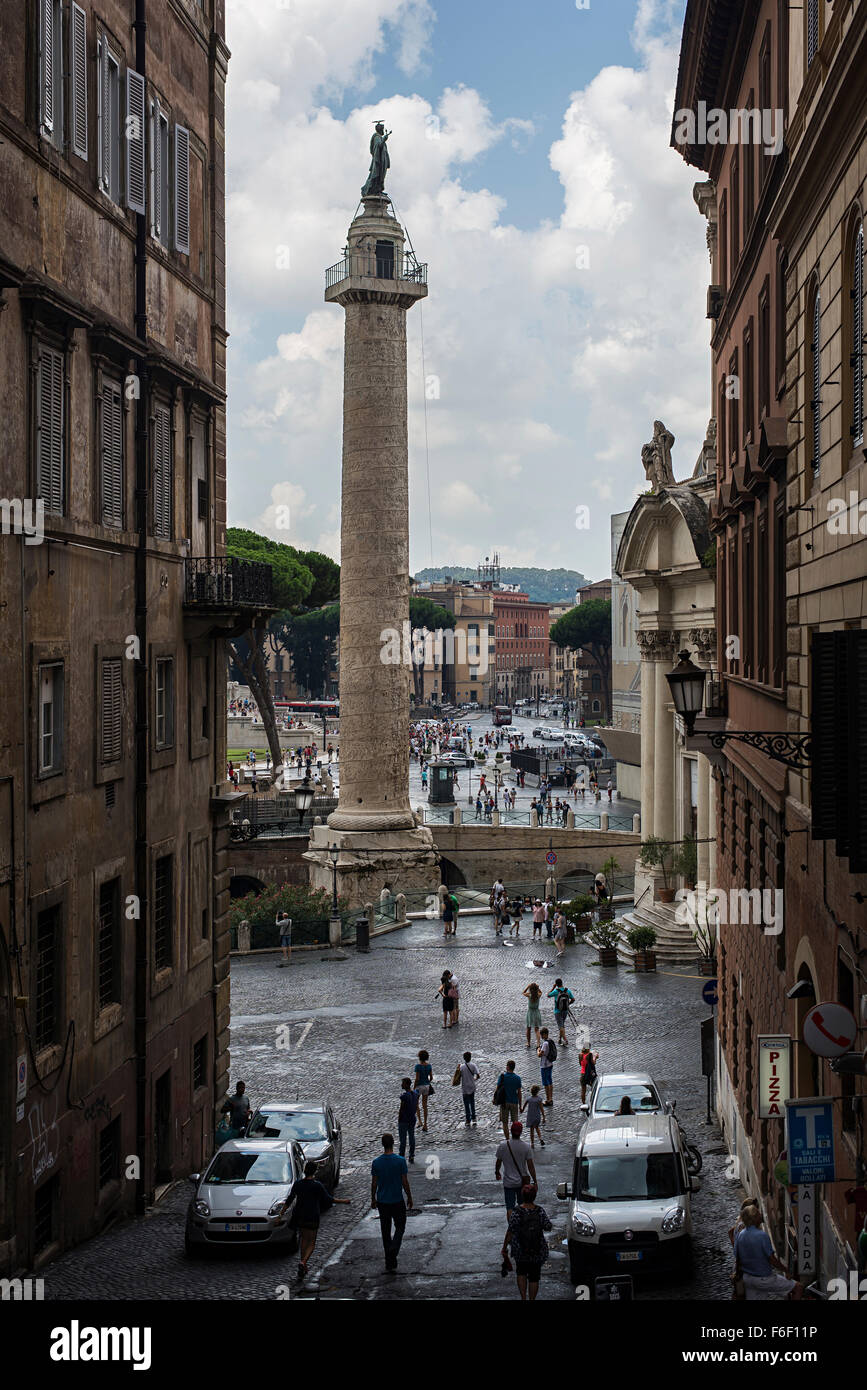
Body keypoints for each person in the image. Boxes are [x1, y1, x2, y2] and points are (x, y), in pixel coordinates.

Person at [284, 1159, 350, 1281]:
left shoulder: (298, 1184)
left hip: (301, 1216)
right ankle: (303, 1262)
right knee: (312, 1243)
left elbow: (289, 1200)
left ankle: (302, 1266)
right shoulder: (317, 1185)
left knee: (303, 1240)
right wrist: (343, 1201)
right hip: (312, 1216)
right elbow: (328, 1199)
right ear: (314, 1172)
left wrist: (281, 1214)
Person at [734, 1205, 803, 1300]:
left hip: (748, 1279)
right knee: (797, 1287)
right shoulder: (762, 1235)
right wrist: (786, 1270)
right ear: (754, 1218)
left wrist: (737, 1274)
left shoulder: (740, 1235)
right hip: (763, 1279)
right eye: (758, 1214)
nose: (761, 1215)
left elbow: (738, 1258)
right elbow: (772, 1260)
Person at [501, 1184, 553, 1301]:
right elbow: (548, 1226)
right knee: (534, 1277)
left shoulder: (517, 1212)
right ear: (534, 1196)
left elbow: (510, 1231)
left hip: (520, 1250)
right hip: (537, 1249)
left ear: (522, 1196)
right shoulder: (539, 1211)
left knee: (521, 1272)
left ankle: (523, 1297)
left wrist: (504, 1248)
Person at [371, 1133, 413, 1274]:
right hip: (397, 1200)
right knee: (400, 1227)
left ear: (383, 1145)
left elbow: (374, 1183)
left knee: (385, 1230)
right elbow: (404, 1181)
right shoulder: (400, 1161)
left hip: (383, 1201)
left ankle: (389, 1259)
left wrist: (373, 1198)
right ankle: (394, 1249)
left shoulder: (376, 1163)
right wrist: (409, 1196)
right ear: (393, 1143)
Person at [495, 1121, 537, 1211]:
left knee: (510, 1208)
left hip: (508, 1182)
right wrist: (535, 1181)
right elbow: (530, 1166)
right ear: (521, 1132)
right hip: (522, 1182)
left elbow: (498, 1162)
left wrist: (497, 1172)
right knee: (523, 1206)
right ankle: (521, 1224)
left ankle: (511, 1224)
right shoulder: (526, 1147)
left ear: (511, 1131)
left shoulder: (503, 1146)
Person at [496, 1060, 523, 1138]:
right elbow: (519, 1093)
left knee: (505, 1123)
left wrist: (495, 1099)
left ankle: (507, 1139)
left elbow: (497, 1089)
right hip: (514, 1102)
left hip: (504, 1102)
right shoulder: (517, 1078)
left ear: (507, 1067)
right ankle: (515, 1137)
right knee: (515, 1122)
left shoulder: (502, 1077)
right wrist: (520, 1105)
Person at [397, 1077, 419, 1163]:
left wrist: (399, 1118)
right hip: (412, 1119)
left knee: (403, 1140)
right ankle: (411, 1155)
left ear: (406, 1084)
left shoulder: (404, 1096)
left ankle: (401, 1156)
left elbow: (401, 1108)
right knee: (411, 1137)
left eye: (402, 1083)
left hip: (404, 1119)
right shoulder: (415, 1094)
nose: (401, 1085)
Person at [548, 978, 574, 1046]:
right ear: (562, 983)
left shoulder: (556, 991)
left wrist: (553, 987)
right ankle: (559, 1039)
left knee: (561, 1026)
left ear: (556, 984)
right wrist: (568, 1004)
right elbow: (573, 999)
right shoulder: (567, 990)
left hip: (557, 1011)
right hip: (565, 1010)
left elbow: (548, 995)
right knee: (562, 1025)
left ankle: (565, 1039)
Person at [459, 1051, 480, 1125]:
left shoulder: (461, 1067)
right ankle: (474, 1117)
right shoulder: (473, 1065)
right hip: (472, 1086)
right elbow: (478, 1075)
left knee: (466, 1104)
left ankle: (468, 1120)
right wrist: (474, 1079)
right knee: (472, 1102)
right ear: (470, 1058)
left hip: (465, 1087)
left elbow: (459, 1077)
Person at [414, 1050, 433, 1131]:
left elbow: (417, 1078)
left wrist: (414, 1087)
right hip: (426, 1086)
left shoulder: (418, 1066)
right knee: (425, 1105)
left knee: (416, 1103)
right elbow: (431, 1077)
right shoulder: (429, 1066)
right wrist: (428, 1082)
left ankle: (420, 1121)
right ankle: (425, 1124)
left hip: (419, 1087)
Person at [538, 1028, 556, 1107]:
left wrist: (538, 1050)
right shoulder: (550, 1041)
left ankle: (548, 1099)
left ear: (544, 1034)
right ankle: (550, 1098)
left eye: (541, 1035)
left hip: (544, 1065)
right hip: (550, 1064)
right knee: (550, 1081)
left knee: (546, 1083)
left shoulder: (545, 1044)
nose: (541, 1036)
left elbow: (540, 1055)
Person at [523, 982, 543, 1049]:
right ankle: (538, 1043)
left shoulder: (529, 995)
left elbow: (523, 992)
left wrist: (527, 986)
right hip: (536, 1012)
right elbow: (541, 992)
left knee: (528, 1028)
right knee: (536, 1029)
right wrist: (538, 988)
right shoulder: (538, 995)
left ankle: (528, 1043)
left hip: (530, 1012)